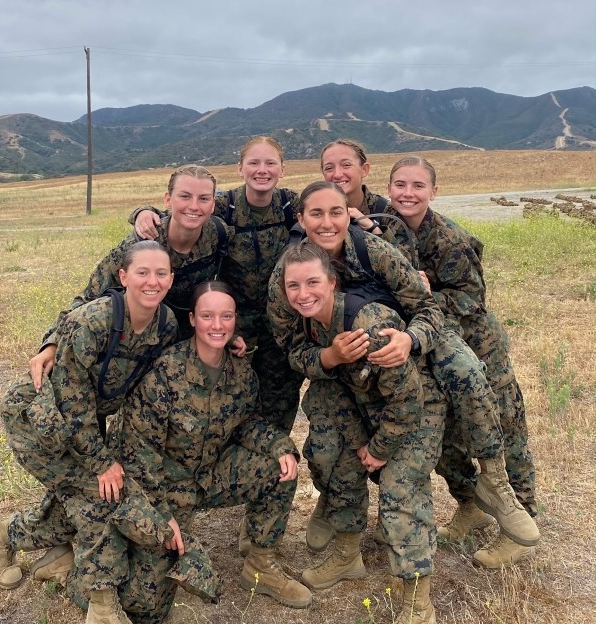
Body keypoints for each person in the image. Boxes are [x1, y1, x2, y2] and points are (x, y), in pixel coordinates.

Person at [0, 241, 178, 624]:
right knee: (99, 495)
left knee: (89, 493)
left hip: (83, 425)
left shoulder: (166, 325)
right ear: (123, 277)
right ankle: (102, 606)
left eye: (161, 273)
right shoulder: (91, 321)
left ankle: (10, 536)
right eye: (142, 272)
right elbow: (72, 401)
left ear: (172, 279)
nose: (152, 281)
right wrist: (103, 461)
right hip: (38, 421)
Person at [111, 281, 312, 621]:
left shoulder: (241, 373)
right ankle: (79, 572)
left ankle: (260, 565)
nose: (217, 325)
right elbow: (139, 458)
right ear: (192, 319)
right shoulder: (165, 374)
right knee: (144, 606)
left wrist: (280, 446)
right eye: (207, 316)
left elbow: (248, 422)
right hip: (164, 488)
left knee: (280, 469)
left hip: (210, 474)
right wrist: (161, 516)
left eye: (225, 316)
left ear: (235, 321)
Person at [382, 155, 539, 567]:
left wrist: (427, 295)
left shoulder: (448, 239)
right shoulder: (388, 229)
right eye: (400, 185)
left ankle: (521, 522)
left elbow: (472, 300)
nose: (407, 194)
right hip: (437, 346)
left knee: (506, 428)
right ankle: (470, 507)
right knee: (448, 433)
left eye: (418, 186)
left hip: (479, 346)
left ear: (434, 191)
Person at [279, 240, 445, 624]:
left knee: (400, 490)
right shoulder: (308, 319)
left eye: (312, 283)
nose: (303, 294)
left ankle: (417, 603)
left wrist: (381, 448)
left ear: (333, 282)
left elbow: (408, 397)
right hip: (360, 403)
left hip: (414, 413)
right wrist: (331, 357)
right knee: (329, 454)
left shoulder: (369, 323)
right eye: (293, 286)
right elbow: (297, 356)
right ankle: (348, 552)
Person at [133, 137, 304, 437]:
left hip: (281, 325)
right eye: (253, 162)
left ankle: (273, 460)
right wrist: (142, 212)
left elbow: (329, 210)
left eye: (270, 163)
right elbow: (188, 209)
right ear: (240, 168)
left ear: (283, 169)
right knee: (228, 399)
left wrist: (357, 215)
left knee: (280, 402)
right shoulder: (226, 206)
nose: (261, 170)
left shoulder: (291, 204)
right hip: (232, 325)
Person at [29, 164, 240, 392]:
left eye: (203, 199)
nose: (194, 206)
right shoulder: (138, 246)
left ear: (212, 205)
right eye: (185, 196)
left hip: (195, 337)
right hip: (145, 341)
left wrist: (233, 333)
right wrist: (51, 344)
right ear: (167, 200)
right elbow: (88, 298)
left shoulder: (219, 235)